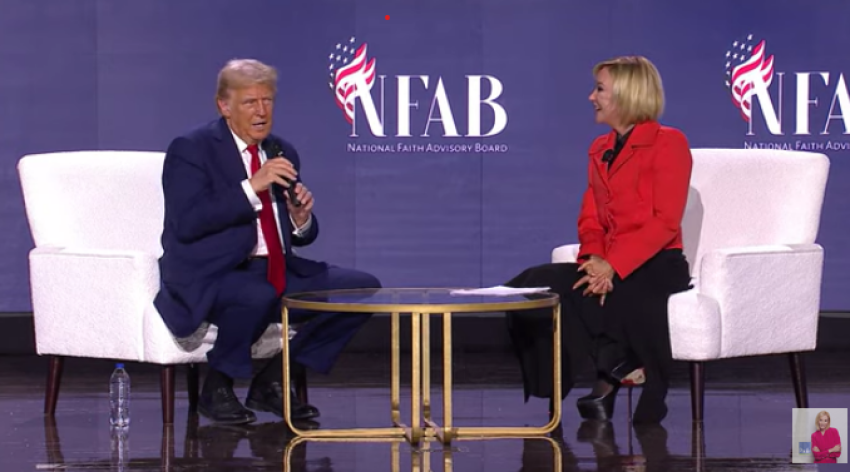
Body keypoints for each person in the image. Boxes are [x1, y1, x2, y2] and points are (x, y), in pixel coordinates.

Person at [154, 58, 381, 425]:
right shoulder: (193, 149)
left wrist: (300, 219)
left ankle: (275, 380)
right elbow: (187, 223)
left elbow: (293, 236)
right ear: (224, 106)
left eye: (267, 101)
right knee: (257, 292)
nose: (261, 112)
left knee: (361, 287)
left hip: (273, 267)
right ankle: (218, 387)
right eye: (249, 102)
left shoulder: (281, 151)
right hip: (214, 271)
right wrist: (250, 187)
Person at [505, 55, 693, 424]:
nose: (592, 97)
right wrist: (593, 259)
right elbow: (591, 217)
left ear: (627, 94)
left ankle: (622, 377)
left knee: (625, 288)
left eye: (600, 89)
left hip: (656, 262)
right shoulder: (599, 148)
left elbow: (665, 223)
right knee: (535, 285)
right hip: (607, 260)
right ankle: (611, 366)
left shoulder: (669, 143)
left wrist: (614, 265)